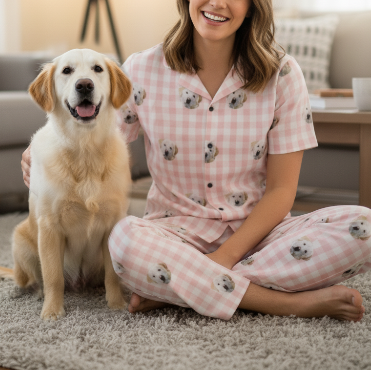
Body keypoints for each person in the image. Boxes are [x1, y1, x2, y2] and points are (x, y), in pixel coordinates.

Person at [23, 0, 369, 322]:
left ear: (251, 6)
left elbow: (281, 191)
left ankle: (177, 288)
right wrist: (40, 151)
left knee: (364, 225)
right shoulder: (141, 69)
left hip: (260, 233)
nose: (216, 3)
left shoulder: (284, 74)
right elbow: (91, 134)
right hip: (172, 233)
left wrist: (222, 260)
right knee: (124, 239)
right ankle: (290, 303)